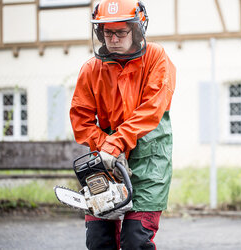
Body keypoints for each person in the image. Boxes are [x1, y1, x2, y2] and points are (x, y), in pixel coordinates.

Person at [69, 0, 176, 249]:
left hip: (149, 159)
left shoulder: (155, 58)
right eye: (108, 32)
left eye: (120, 32)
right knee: (98, 239)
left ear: (137, 29)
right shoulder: (91, 69)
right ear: (99, 32)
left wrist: (116, 144)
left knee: (136, 240)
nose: (113, 39)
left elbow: (151, 109)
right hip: (105, 160)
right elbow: (80, 120)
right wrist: (106, 147)